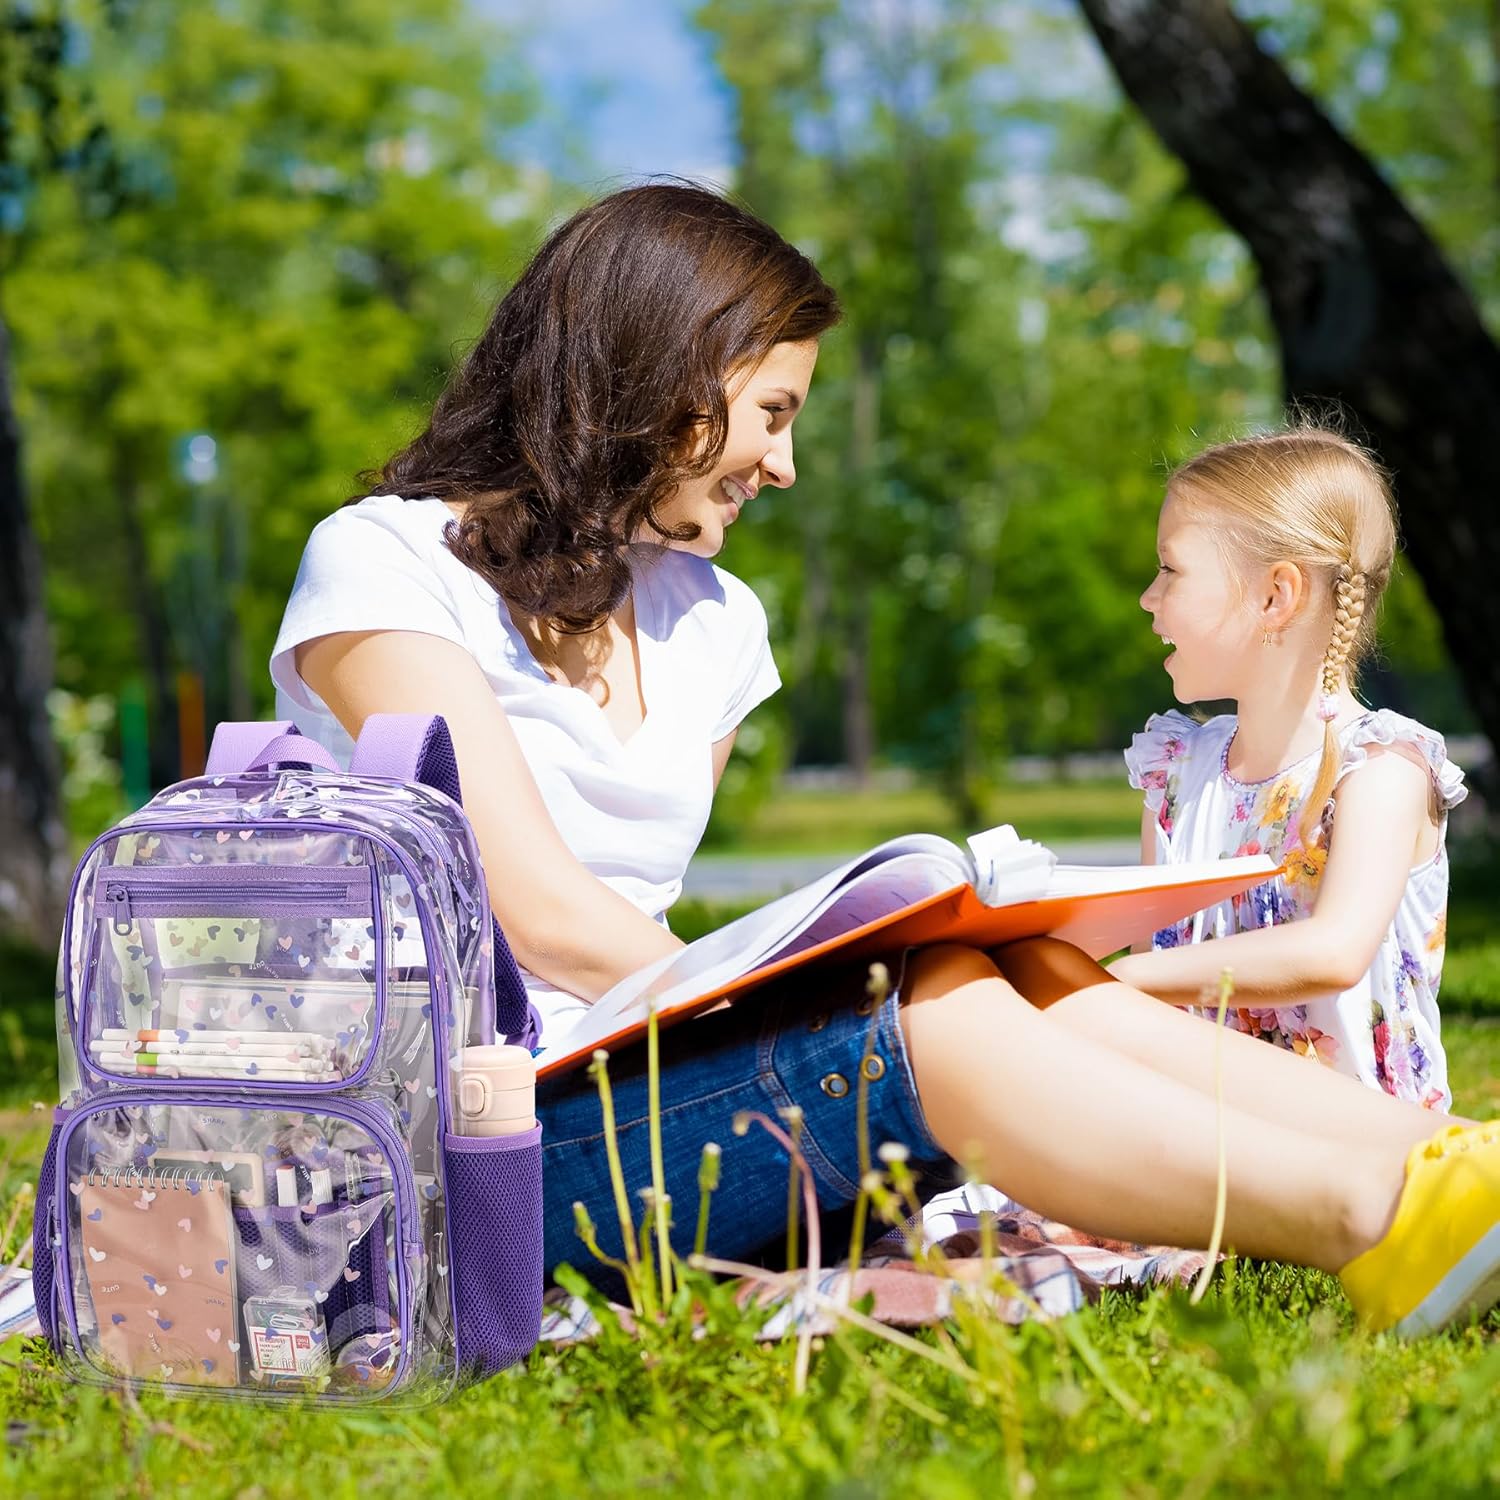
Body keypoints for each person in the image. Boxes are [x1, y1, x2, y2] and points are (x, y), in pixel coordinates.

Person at [270, 182, 1500, 1339]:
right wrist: (804, 986)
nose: (785, 466)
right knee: (938, 1003)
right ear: (664, 378)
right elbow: (540, 913)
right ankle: (1375, 1223)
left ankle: (1444, 1168)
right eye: (774, 413)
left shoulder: (714, 624)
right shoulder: (389, 564)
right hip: (470, 1144)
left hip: (651, 1084)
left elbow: (629, 930)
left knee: (1012, 959)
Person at [1111, 429, 1465, 1110]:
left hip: (1354, 1158)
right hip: (1197, 1137)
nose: (1149, 598)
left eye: (1171, 570)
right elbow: (1150, 987)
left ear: (1277, 596)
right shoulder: (1178, 773)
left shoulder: (1382, 767)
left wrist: (1125, 982)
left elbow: (1333, 951)